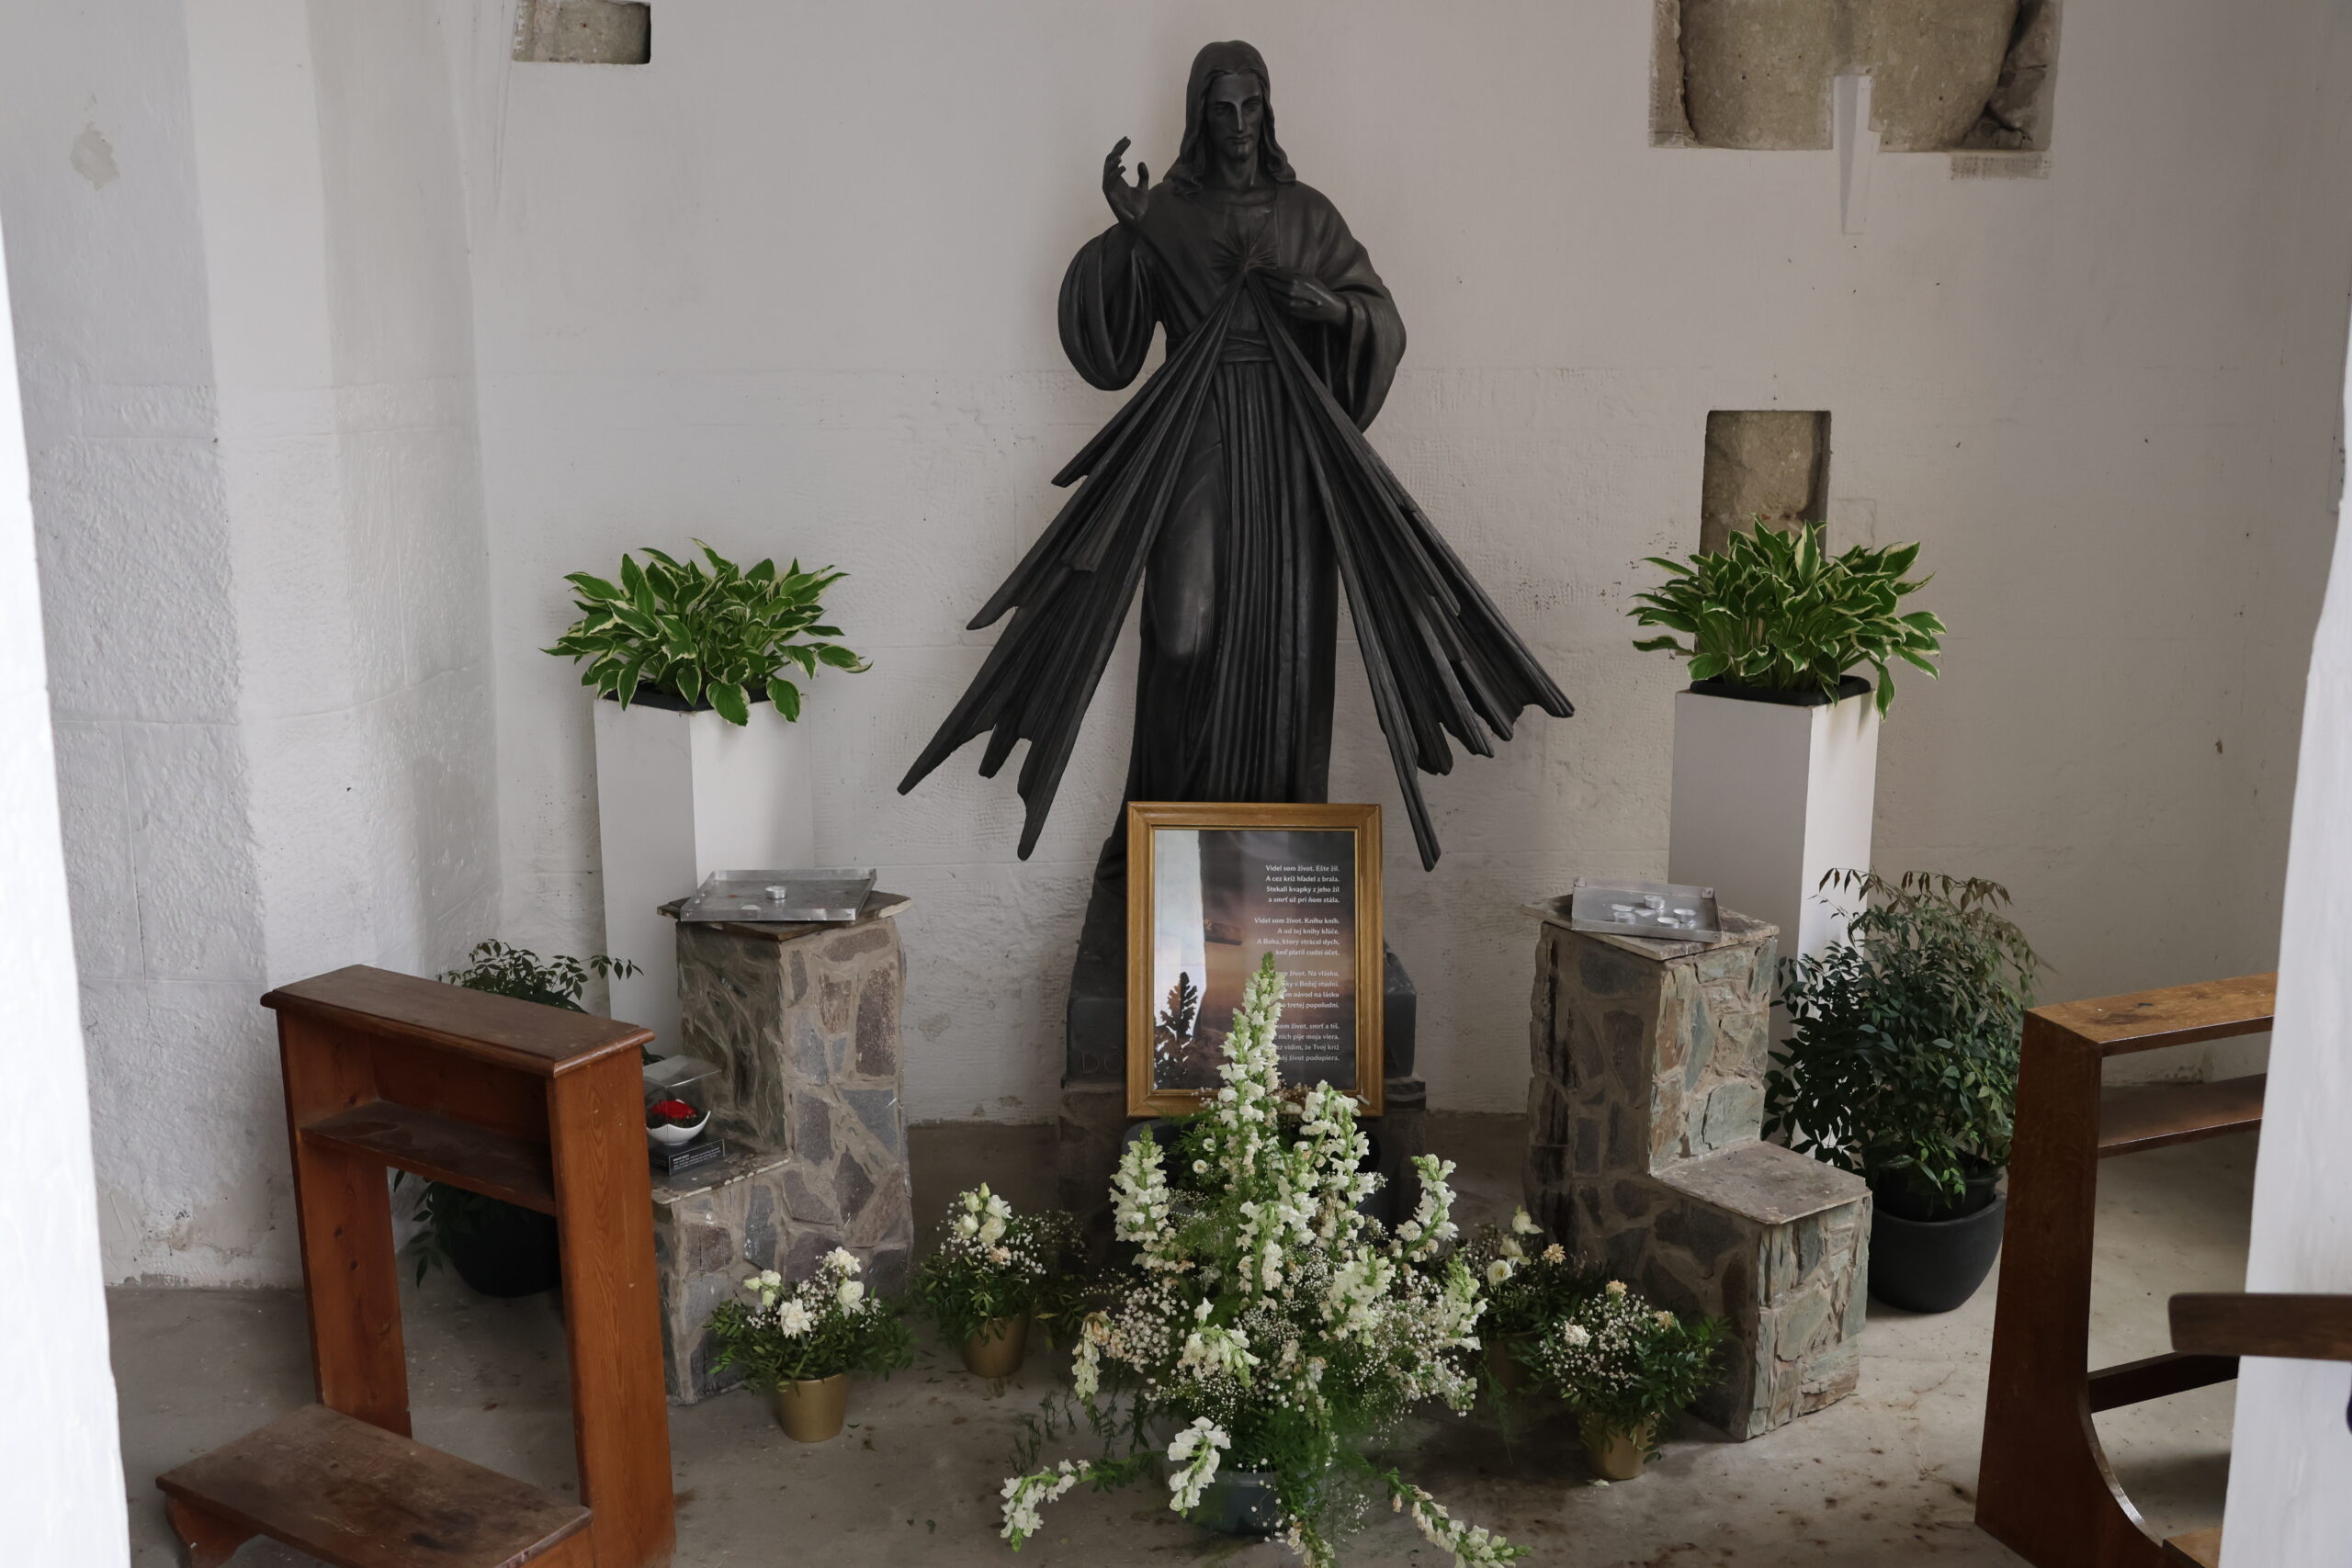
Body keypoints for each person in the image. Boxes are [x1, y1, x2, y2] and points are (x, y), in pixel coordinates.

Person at [901, 40, 1570, 900]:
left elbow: (1383, 320)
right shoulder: (1166, 214)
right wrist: (1124, 235)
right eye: (1222, 109)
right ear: (1199, 118)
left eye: (1251, 106)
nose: (1239, 124)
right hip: (1195, 432)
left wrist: (1333, 310)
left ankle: (1268, 854)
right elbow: (1108, 354)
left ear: (1268, 109)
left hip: (1290, 449)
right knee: (1180, 633)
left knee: (1288, 643)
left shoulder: (1309, 215)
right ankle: (1164, 833)